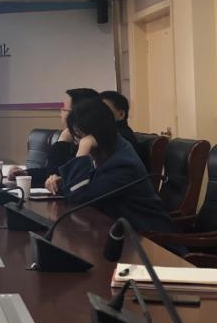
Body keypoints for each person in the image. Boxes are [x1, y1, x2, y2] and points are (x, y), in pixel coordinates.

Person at [52, 97, 180, 246]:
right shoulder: (109, 151)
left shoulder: (122, 163)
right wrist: (61, 183)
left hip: (151, 243)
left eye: (80, 137)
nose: (77, 142)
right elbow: (84, 189)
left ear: (97, 133)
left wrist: (83, 149)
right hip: (122, 236)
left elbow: (79, 198)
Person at [6, 87, 98, 187]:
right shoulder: (75, 139)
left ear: (78, 113)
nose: (60, 113)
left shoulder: (91, 143)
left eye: (64, 109)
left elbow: (58, 175)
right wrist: (26, 173)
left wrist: (62, 141)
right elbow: (52, 175)